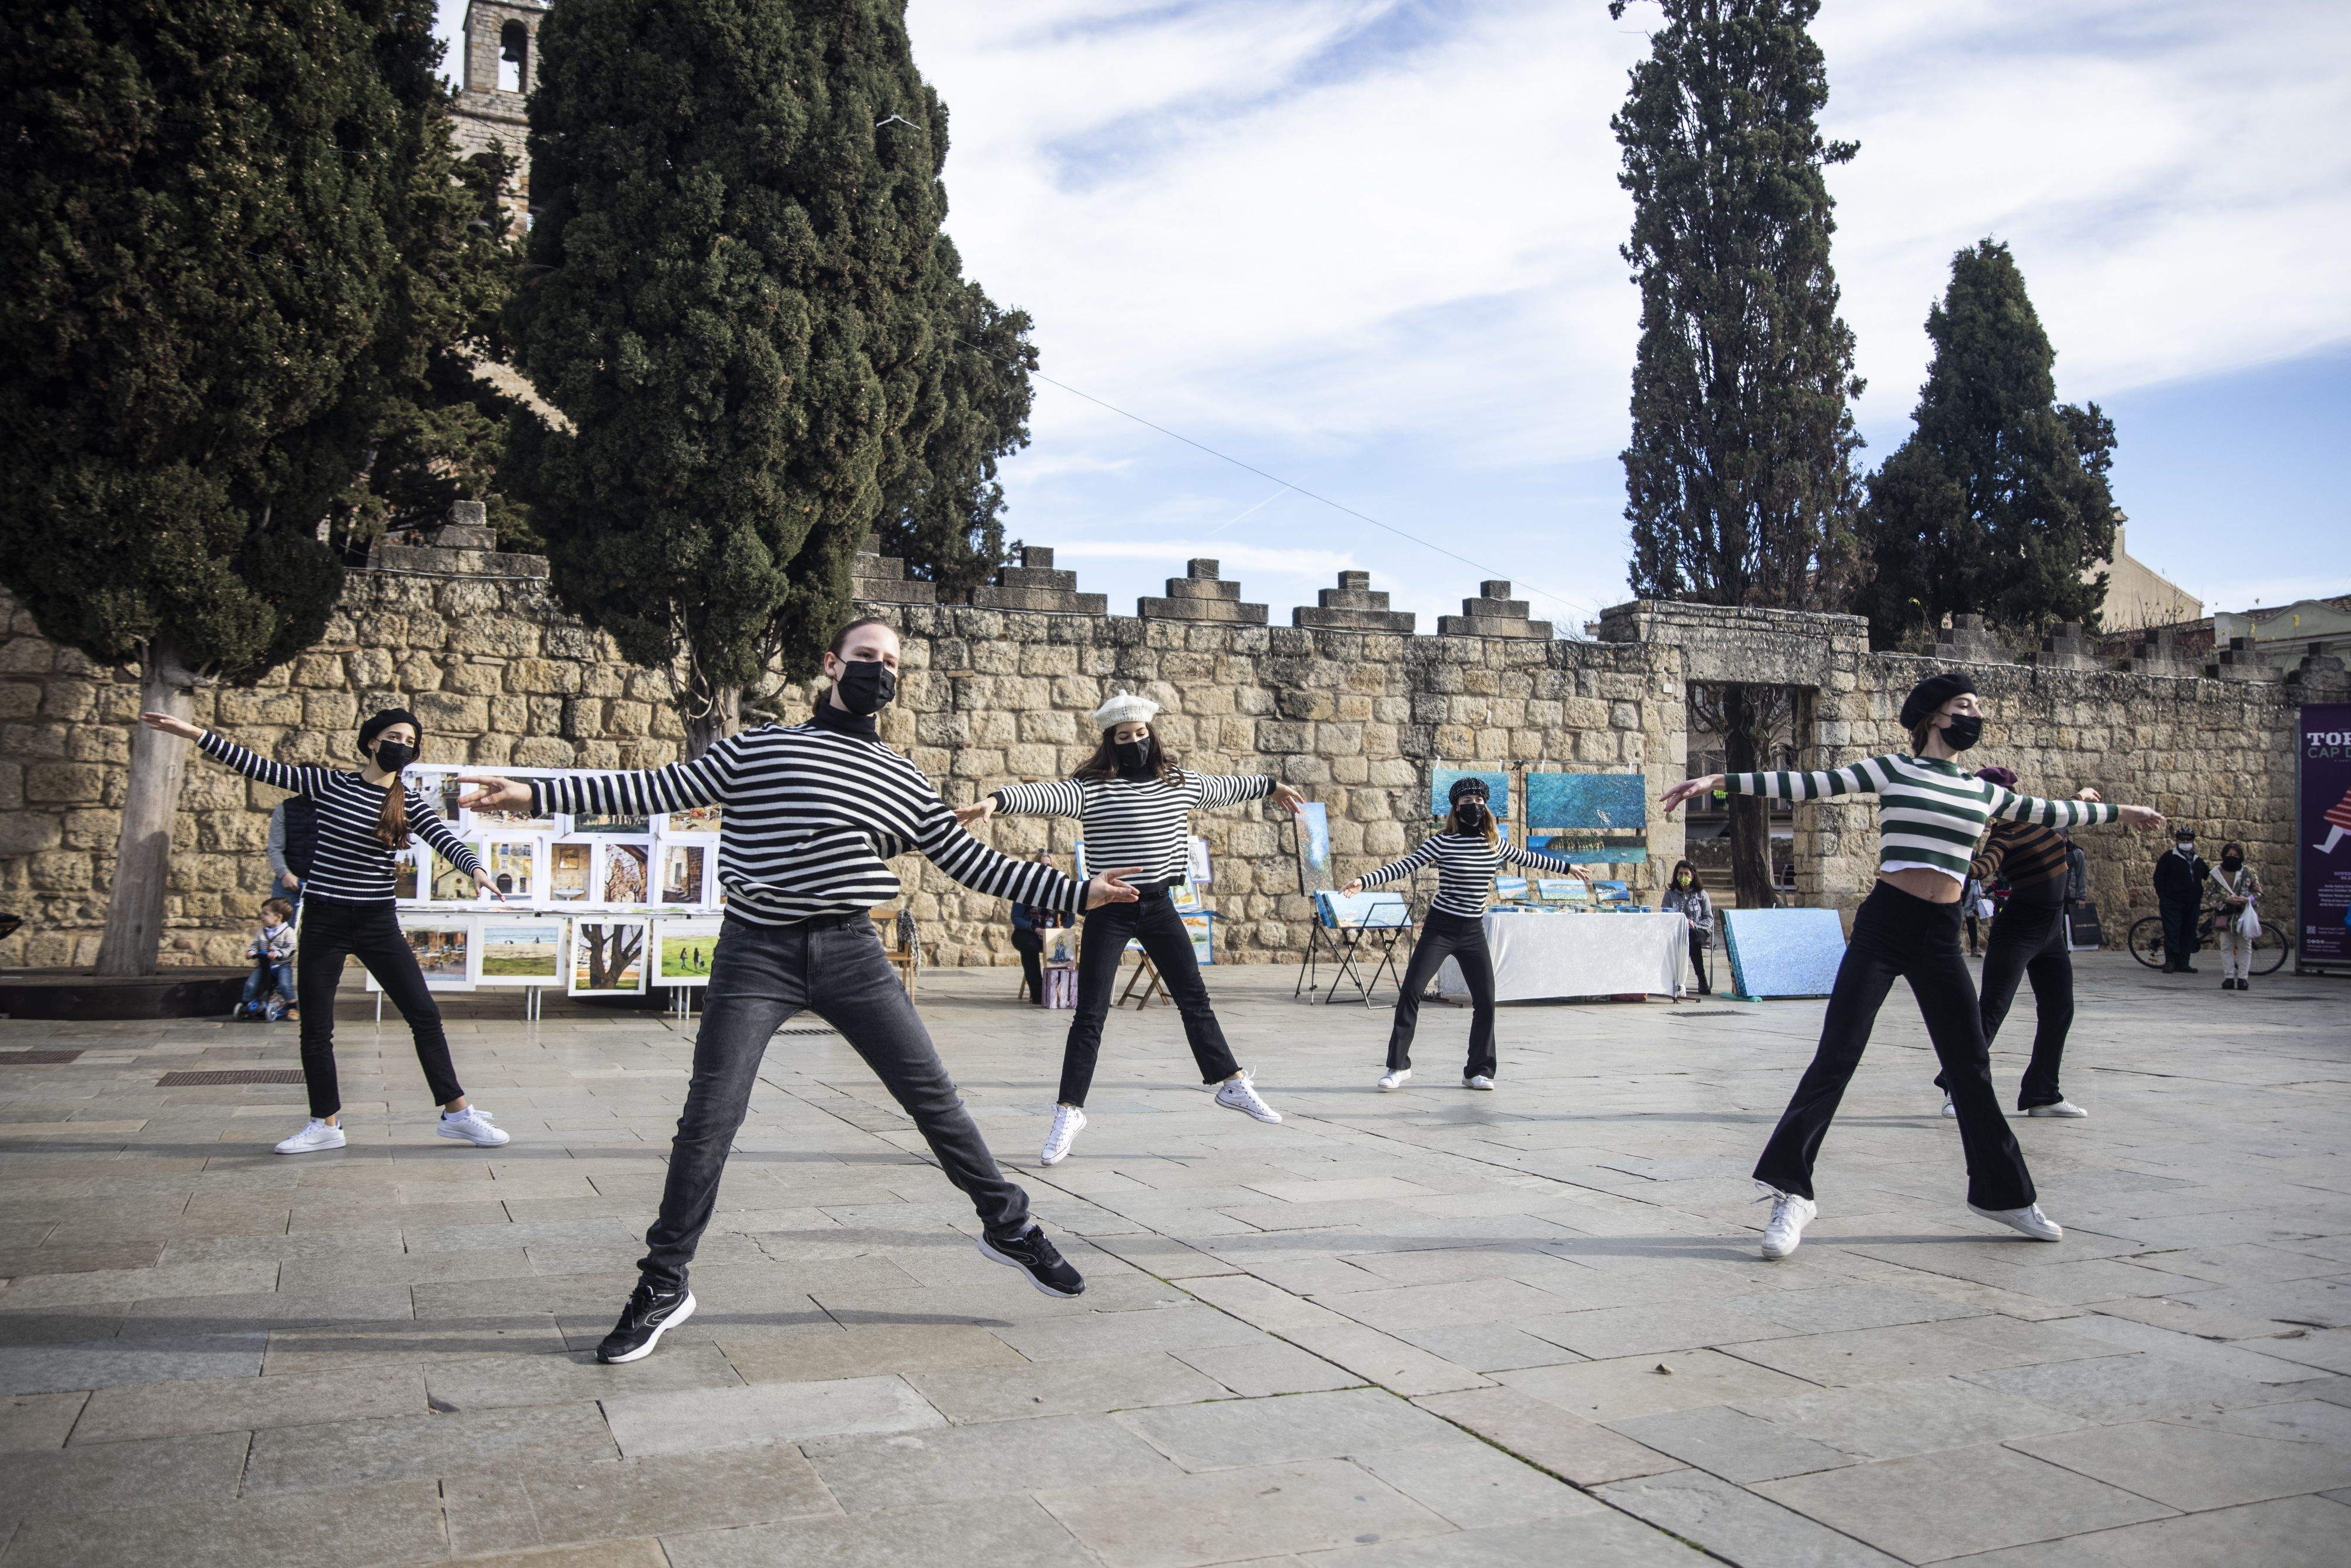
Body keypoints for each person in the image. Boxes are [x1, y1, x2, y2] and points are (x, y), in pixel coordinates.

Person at [457, 618, 1146, 1364]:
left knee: (934, 1099)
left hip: (852, 949)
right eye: (864, 658)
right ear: (829, 665)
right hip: (757, 952)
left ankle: (1009, 1229)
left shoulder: (903, 776)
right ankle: (664, 1282)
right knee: (708, 1120)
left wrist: (1078, 891)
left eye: (889, 663)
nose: (877, 671)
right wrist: (532, 791)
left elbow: (968, 861)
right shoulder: (762, 747)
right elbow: (655, 788)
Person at [1660, 672, 2165, 1261]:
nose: (1973, 713)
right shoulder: (1894, 770)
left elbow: (2052, 811)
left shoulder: (1984, 791)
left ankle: (2002, 1195)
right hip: (1884, 926)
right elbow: (1811, 784)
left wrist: (2123, 812)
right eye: (1962, 704)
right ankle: (1792, 1192)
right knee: (1837, 1054)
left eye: (1977, 705)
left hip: (1942, 935)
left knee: (1970, 1066)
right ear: (1931, 716)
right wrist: (1722, 779)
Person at [138, 706, 511, 1154]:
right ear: (373, 741)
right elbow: (258, 766)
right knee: (316, 1027)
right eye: (394, 736)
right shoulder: (330, 785)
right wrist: (193, 732)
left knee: (424, 1015)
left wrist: (476, 870)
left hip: (377, 923)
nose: (402, 746)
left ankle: (457, 1115)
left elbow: (444, 839)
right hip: (324, 921)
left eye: (410, 741)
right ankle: (325, 1124)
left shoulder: (406, 801)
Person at [957, 692, 1305, 1166]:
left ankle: (1232, 1084)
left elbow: (1230, 786)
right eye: (1125, 737)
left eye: (1141, 734)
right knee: (1090, 1015)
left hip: (1160, 907)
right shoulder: (1093, 788)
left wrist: (1272, 786)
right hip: (1110, 908)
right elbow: (1044, 794)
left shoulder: (1180, 783)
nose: (1136, 742)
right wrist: (995, 802)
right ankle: (1069, 1112)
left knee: (1194, 1000)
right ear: (1111, 742)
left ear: (1152, 734)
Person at [1344, 777, 1582, 1090]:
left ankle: (1477, 1071)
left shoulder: (1494, 845)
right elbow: (1405, 866)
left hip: (1472, 931)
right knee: (1411, 991)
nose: (1473, 807)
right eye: (1466, 802)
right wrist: (1364, 881)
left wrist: (1569, 869)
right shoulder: (1442, 842)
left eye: (1478, 802)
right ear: (1456, 808)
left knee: (1486, 999)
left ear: (1486, 807)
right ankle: (1398, 1066)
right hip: (1440, 928)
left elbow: (1530, 858)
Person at [1933, 767, 2138, 1122]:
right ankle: (1957, 1087)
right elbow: (1984, 868)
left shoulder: (2044, 818)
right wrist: (1951, 859)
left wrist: (2084, 794)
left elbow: (2070, 807)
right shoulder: (2004, 835)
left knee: (2060, 1010)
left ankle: (2043, 1094)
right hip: (2018, 931)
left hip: (2052, 934)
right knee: (1992, 1010)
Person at [2154, 828, 2211, 973]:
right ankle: (2171, 961)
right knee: (2172, 931)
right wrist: (2164, 896)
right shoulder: (2169, 857)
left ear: (2192, 841)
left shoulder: (2197, 860)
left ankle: (2183, 963)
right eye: (2182, 839)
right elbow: (2158, 878)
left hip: (2192, 903)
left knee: (2188, 932)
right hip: (2172, 902)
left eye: (2188, 840)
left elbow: (2208, 875)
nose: (2185, 842)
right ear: (2178, 840)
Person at [1009, 852, 1064, 1004]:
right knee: (1029, 946)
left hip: (1052, 933)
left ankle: (1052, 989)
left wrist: (1056, 930)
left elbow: (1070, 917)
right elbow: (1016, 918)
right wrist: (1034, 928)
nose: (1046, 868)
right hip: (1029, 932)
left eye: (1049, 865)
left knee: (1064, 947)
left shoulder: (1061, 890)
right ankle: (1038, 993)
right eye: (1042, 865)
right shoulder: (1025, 890)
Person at [238, 897, 299, 1022]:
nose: (262, 916)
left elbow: (292, 947)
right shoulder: (261, 932)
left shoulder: (288, 932)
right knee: (251, 983)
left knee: (285, 985)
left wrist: (278, 953)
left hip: (282, 966)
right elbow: (256, 944)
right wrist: (252, 952)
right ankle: (245, 1005)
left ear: (278, 917)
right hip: (264, 965)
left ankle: (293, 1007)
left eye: (266, 914)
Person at [2211, 841, 2261, 991]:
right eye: (2229, 855)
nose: (2232, 857)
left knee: (2245, 947)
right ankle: (2228, 977)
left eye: (2235, 855)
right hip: (2224, 916)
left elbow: (2258, 892)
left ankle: (2242, 979)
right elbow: (2209, 894)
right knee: (2226, 946)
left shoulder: (2249, 872)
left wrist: (2248, 899)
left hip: (2243, 916)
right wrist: (2226, 899)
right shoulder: (2216, 873)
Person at [1661, 860, 1714, 996]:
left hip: (1699, 932)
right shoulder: (1670, 895)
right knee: (1691, 940)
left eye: (1686, 873)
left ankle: (1680, 979)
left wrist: (1694, 924)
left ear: (1692, 876)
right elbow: (1665, 915)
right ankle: (1702, 981)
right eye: (1680, 873)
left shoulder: (1702, 894)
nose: (1683, 876)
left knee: (1693, 937)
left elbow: (1709, 919)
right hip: (1677, 933)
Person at [266, 796, 316, 919]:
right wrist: (285, 874)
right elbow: (275, 848)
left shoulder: (335, 807)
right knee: (280, 930)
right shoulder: (285, 808)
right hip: (289, 884)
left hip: (321, 885)